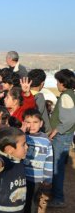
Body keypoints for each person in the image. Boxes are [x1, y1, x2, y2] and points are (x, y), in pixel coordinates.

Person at [0, 126, 28, 213]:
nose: (27, 147)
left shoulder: (19, 160)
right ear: (9, 149)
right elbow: (0, 165)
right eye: (23, 144)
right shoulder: (5, 161)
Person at [48, 69, 75, 208]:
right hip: (64, 136)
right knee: (57, 167)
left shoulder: (66, 96)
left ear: (63, 83)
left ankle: (58, 198)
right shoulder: (69, 94)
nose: (57, 84)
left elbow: (69, 119)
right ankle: (55, 194)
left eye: (58, 81)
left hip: (62, 136)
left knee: (57, 168)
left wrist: (56, 130)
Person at [22, 109, 53, 213]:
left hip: (36, 179)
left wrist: (48, 179)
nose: (32, 125)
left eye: (35, 122)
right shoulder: (22, 137)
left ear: (41, 123)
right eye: (28, 122)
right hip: (21, 177)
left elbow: (49, 160)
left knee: (33, 203)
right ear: (23, 123)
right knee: (20, 201)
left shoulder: (46, 141)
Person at [27, 69, 51, 134]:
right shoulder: (39, 96)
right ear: (42, 83)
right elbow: (38, 114)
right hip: (39, 132)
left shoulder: (25, 95)